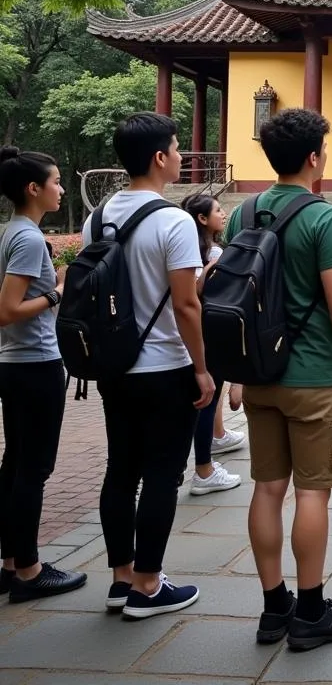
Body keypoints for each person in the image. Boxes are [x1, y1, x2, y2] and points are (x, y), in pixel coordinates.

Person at [226, 108, 332, 651]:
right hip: (312, 374)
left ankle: (273, 609)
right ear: (314, 157)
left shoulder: (243, 212)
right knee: (313, 492)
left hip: (260, 372)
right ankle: (312, 611)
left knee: (268, 489)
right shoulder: (323, 215)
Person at [85, 113, 215, 619]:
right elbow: (187, 305)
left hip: (113, 365)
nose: (182, 157)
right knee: (163, 473)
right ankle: (148, 584)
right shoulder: (173, 220)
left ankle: (120, 579)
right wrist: (202, 368)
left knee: (121, 469)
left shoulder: (96, 216)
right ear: (159, 158)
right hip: (164, 367)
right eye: (178, 149)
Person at [0, 147, 87, 602]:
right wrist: (57, 291)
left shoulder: (12, 232)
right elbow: (8, 310)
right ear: (33, 189)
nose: (60, 189)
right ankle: (30, 572)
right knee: (32, 469)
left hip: (14, 364)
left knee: (15, 465)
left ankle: (12, 563)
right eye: (55, 182)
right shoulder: (29, 238)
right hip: (34, 364)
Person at [182, 194, 243, 496]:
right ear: (202, 219)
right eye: (218, 211)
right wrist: (214, 266)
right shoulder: (207, 252)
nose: (224, 214)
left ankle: (204, 460)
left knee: (201, 401)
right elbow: (194, 291)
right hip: (205, 333)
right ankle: (204, 470)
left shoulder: (198, 247)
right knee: (205, 400)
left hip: (192, 332)